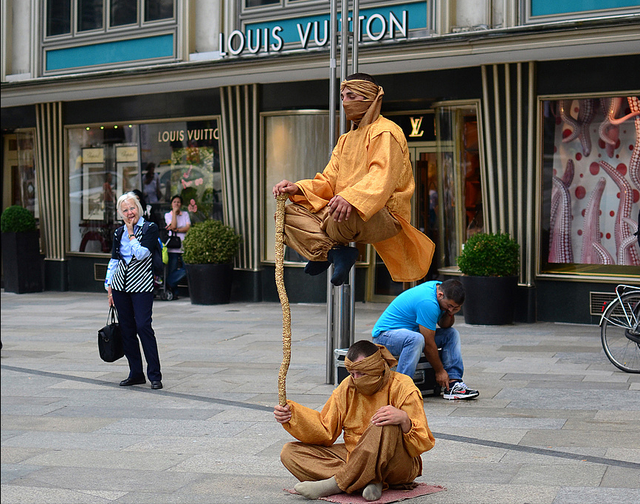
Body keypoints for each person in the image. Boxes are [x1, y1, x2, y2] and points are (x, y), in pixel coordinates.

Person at [272, 73, 434, 286]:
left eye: (351, 96)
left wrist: (350, 198)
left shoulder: (386, 132)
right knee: (284, 215)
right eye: (342, 97)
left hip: (380, 214)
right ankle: (333, 253)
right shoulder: (345, 140)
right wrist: (298, 188)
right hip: (342, 212)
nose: (345, 102)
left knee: (345, 210)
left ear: (369, 98)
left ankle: (332, 251)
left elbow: (381, 177)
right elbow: (328, 182)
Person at [274, 340, 434, 502]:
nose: (356, 379)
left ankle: (337, 483)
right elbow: (324, 429)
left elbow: (423, 442)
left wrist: (403, 419)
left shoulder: (402, 386)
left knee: (385, 419)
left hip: (396, 463)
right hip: (354, 454)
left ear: (377, 368)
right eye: (352, 373)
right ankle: (369, 480)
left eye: (361, 373)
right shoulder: (347, 387)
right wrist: (292, 416)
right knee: (290, 452)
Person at [372, 279, 478, 400]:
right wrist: (440, 371)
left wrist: (450, 313)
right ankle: (400, 389)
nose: (450, 309)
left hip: (410, 333)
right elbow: (428, 343)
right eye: (449, 306)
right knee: (416, 339)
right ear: (440, 295)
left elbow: (445, 325)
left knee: (451, 334)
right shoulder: (428, 302)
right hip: (385, 336)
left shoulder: (442, 289)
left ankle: (454, 384)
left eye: (456, 308)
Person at [105, 192, 163, 390]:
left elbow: (141, 254)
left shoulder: (150, 228)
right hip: (120, 285)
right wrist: (109, 288)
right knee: (127, 330)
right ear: (120, 214)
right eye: (125, 210)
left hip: (141, 285)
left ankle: (154, 374)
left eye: (132, 208)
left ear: (138, 208)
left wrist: (131, 233)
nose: (130, 213)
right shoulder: (117, 232)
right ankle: (136, 373)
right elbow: (114, 260)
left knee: (143, 326)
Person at [164, 194, 191, 298]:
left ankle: (169, 282)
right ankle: (174, 292)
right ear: (171, 204)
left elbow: (188, 227)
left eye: (178, 202)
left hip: (183, 246)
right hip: (173, 247)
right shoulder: (168, 215)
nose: (176, 204)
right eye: (174, 202)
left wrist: (177, 230)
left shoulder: (185, 214)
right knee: (172, 269)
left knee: (186, 269)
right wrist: (174, 214)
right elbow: (173, 225)